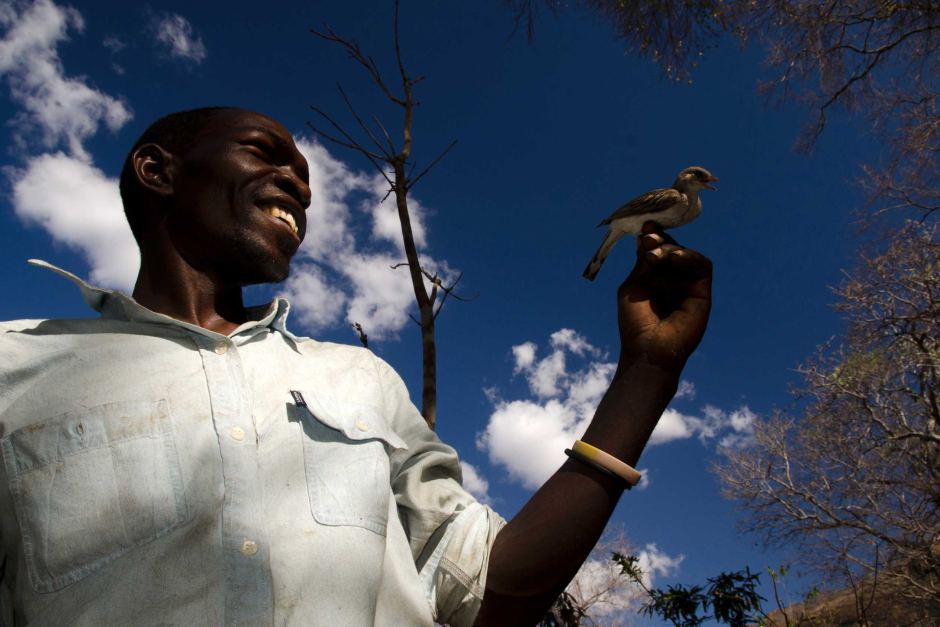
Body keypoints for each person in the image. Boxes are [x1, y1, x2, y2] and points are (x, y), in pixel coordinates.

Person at [0, 107, 712, 626]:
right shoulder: (15, 365)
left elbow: (490, 590)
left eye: (308, 178)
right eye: (266, 154)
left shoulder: (363, 380)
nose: (302, 189)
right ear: (158, 171)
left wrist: (645, 375)